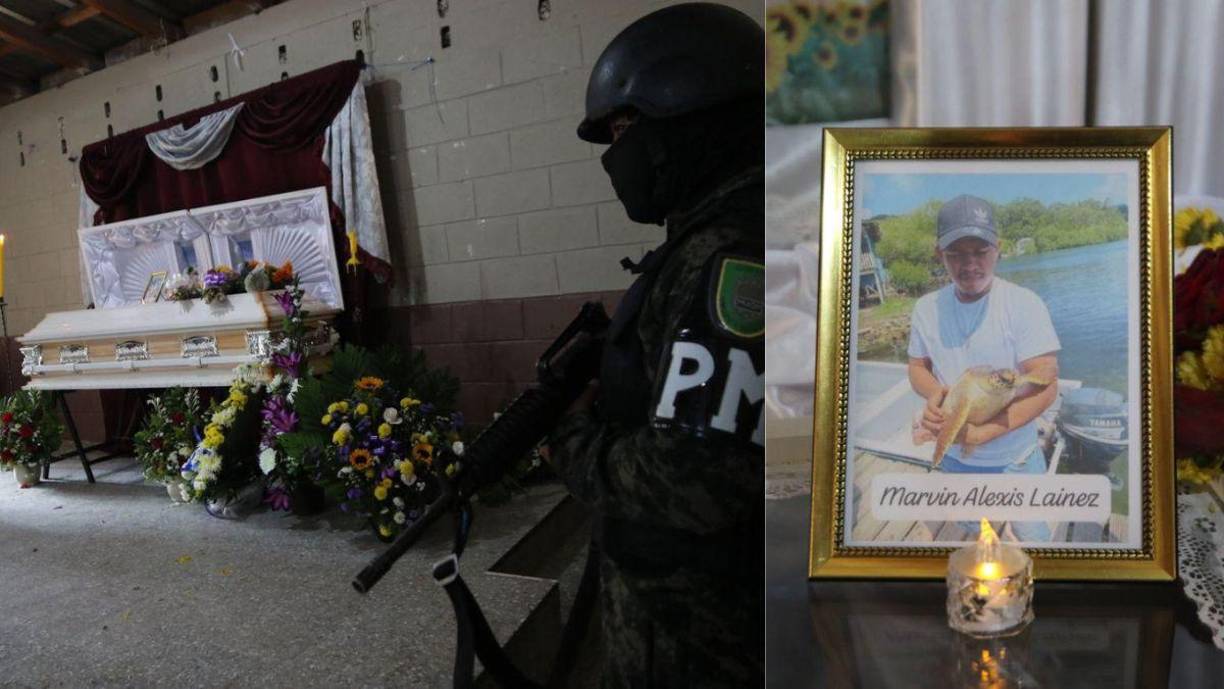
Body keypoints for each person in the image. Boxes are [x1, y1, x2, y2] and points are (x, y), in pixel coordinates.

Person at [545, 3, 764, 687]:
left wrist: (572, 443)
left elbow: (693, 478)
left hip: (701, 640)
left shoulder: (729, 254)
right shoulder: (733, 229)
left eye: (622, 130)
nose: (615, 156)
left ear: (687, 113)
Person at [907, 194, 1060, 543]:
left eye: (980, 251)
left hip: (1015, 458)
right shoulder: (926, 308)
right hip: (954, 457)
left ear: (998, 248)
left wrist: (982, 434)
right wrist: (935, 395)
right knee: (974, 530)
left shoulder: (1023, 304)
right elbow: (917, 367)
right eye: (956, 254)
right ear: (939, 254)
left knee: (1033, 534)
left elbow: (1048, 387)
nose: (970, 264)